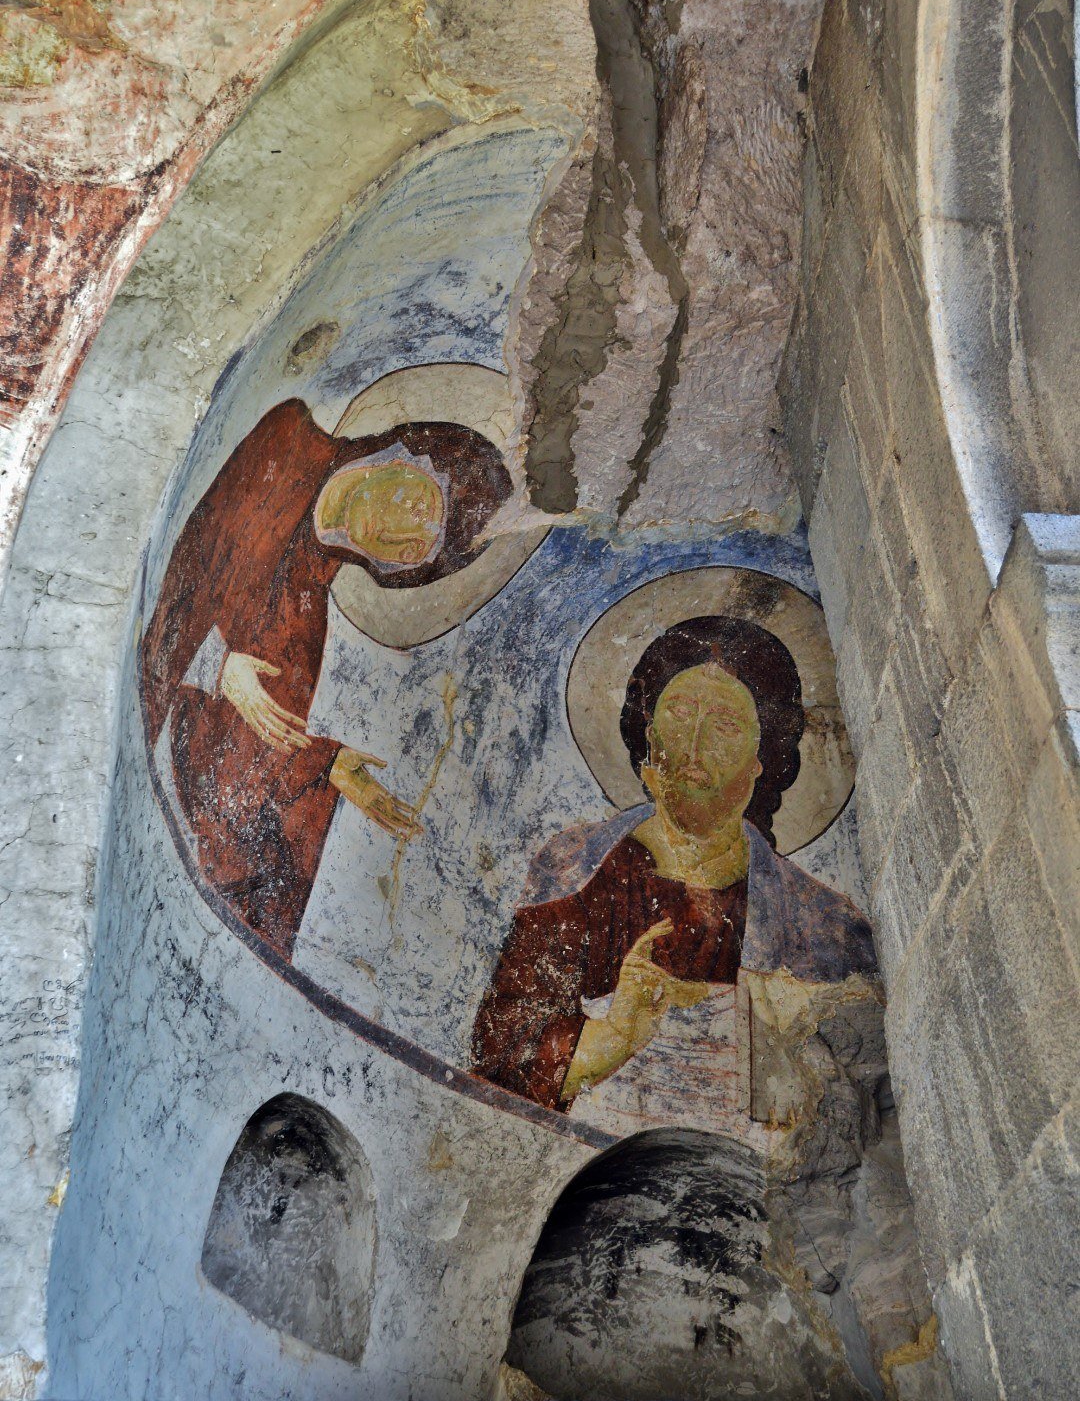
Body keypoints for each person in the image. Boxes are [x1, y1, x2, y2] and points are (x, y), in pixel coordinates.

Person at [143, 393, 512, 957]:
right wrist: (213, 667)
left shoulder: (304, 614)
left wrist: (323, 765)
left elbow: (236, 776)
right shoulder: (287, 440)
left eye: (421, 548)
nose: (403, 537)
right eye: (420, 509)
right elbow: (171, 599)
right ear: (401, 460)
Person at [471, 615, 875, 1113]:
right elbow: (502, 1058)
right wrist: (617, 1036)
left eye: (725, 725)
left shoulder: (822, 926)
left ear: (760, 762)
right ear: (649, 735)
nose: (696, 740)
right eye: (680, 712)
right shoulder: (575, 872)